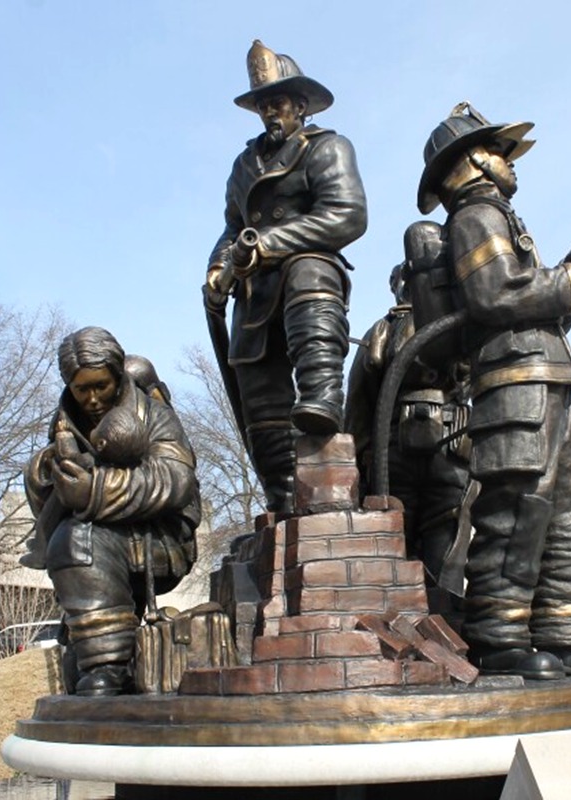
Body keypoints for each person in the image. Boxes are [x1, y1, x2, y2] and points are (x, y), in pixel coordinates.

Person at [417, 102, 571, 679]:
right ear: (475, 162)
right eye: (502, 152)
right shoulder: (475, 216)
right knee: (519, 508)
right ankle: (499, 637)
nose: (511, 163)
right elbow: (497, 294)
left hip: (548, 380)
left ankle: (566, 635)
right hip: (514, 389)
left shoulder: (501, 219)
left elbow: (532, 312)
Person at [204, 40, 367, 514]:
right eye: (262, 104)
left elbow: (347, 214)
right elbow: (232, 228)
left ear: (300, 105)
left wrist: (270, 245)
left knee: (306, 269)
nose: (270, 111)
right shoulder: (243, 165)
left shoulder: (328, 148)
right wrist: (219, 270)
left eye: (278, 101)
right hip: (255, 297)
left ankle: (322, 398)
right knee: (261, 408)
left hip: (305, 279)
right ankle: (284, 502)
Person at [24, 327, 201, 696]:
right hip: (92, 535)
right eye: (81, 389)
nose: (91, 399)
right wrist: (49, 473)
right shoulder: (63, 424)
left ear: (118, 376)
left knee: (77, 540)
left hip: (157, 536)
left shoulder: (154, 415)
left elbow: (175, 479)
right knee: (74, 539)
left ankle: (107, 669)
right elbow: (53, 498)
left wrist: (94, 490)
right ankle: (96, 648)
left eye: (100, 386)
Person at [345, 260, 475, 596]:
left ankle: (434, 624)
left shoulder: (384, 331)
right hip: (426, 453)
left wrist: (360, 458)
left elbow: (358, 407)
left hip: (428, 452)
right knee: (432, 545)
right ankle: (440, 626)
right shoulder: (459, 329)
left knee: (415, 545)